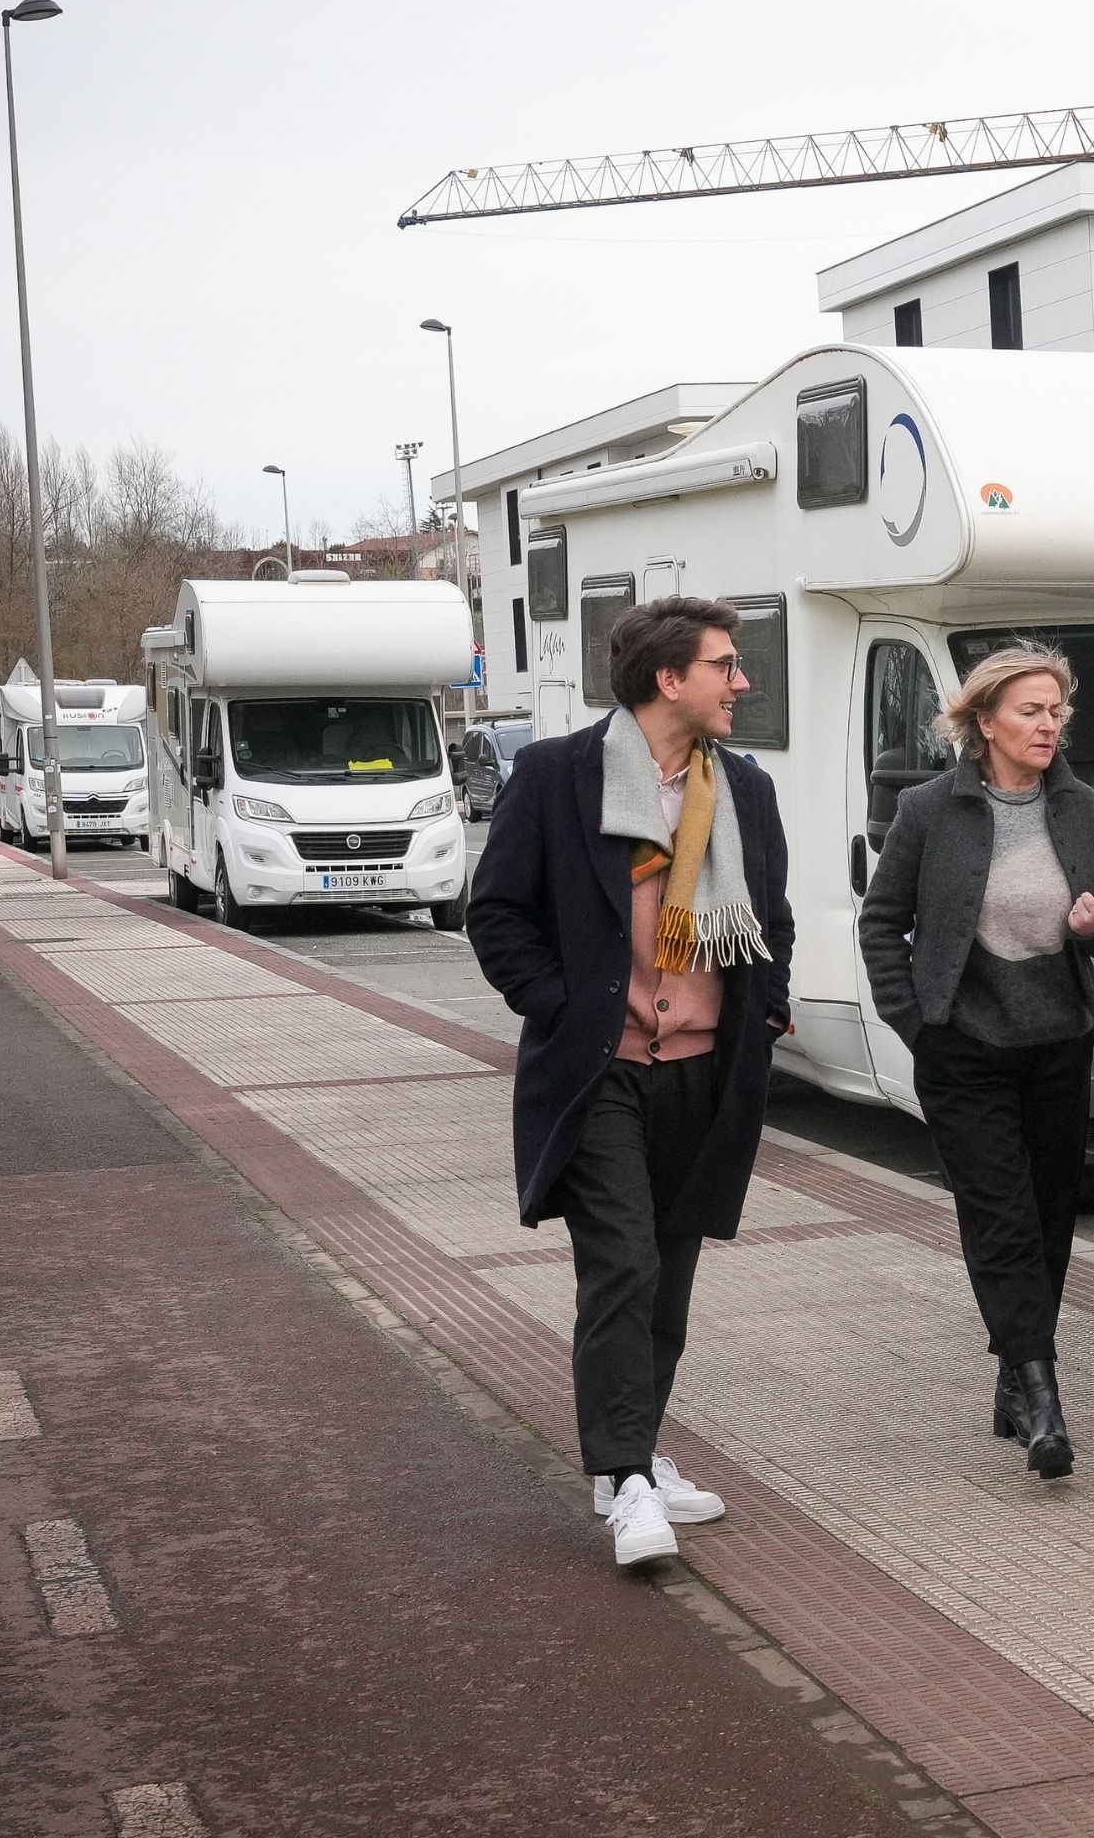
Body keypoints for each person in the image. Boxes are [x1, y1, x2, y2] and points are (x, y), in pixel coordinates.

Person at [468, 596, 793, 1571]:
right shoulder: (556, 776)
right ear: (669, 679)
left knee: (670, 1278)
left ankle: (636, 1452)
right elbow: (497, 913)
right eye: (724, 665)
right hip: (600, 1071)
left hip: (702, 1073)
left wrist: (766, 1010)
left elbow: (769, 919)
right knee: (623, 1265)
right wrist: (563, 1009)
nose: (740, 682)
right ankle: (627, 1482)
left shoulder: (744, 790)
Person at [857, 645, 1094, 1478]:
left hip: (1059, 1042)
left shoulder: (1084, 808)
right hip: (963, 1049)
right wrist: (916, 1023)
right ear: (983, 721)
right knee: (1001, 1218)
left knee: (1048, 1218)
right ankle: (1044, 1402)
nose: (1049, 724)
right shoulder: (927, 810)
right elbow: (881, 923)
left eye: (1057, 710)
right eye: (1030, 710)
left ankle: (1014, 1377)